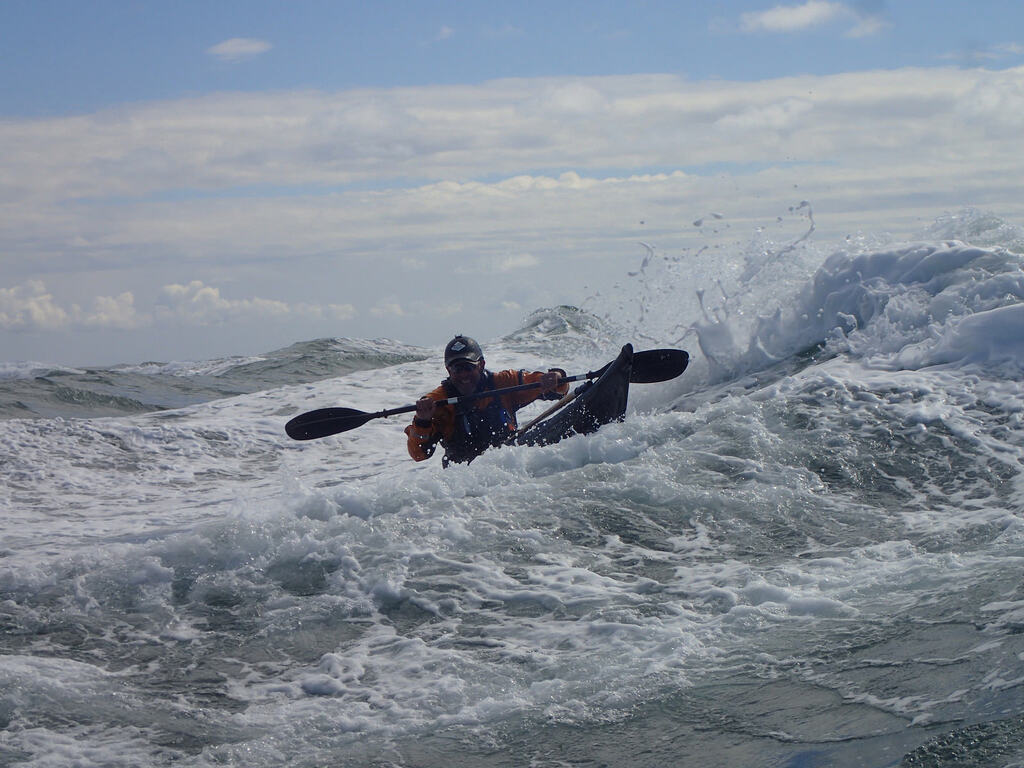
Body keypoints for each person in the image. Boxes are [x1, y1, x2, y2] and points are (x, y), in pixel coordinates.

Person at [406, 335, 568, 465]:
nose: (463, 375)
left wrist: (557, 377)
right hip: (464, 474)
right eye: (457, 369)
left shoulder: (504, 382)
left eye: (468, 367)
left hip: (507, 462)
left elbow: (559, 391)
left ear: (481, 365)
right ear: (448, 370)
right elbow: (419, 456)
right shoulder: (436, 402)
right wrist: (422, 421)